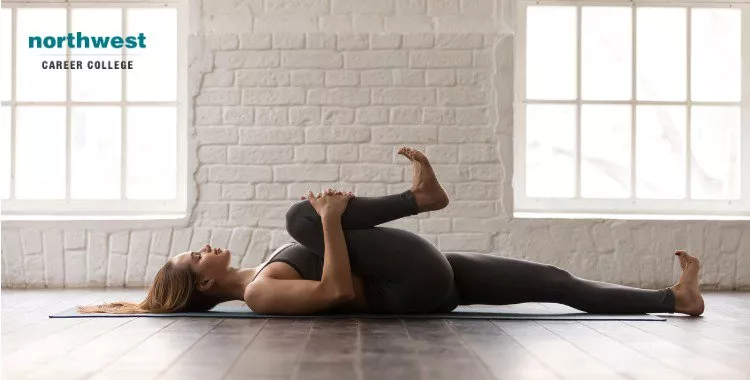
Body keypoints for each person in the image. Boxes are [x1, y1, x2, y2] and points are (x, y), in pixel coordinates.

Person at [78, 147, 705, 317]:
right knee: (301, 215)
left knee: (554, 282)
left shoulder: (258, 271)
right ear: (206, 283)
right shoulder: (259, 292)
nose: (205, 246)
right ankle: (419, 199)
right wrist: (326, 223)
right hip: (406, 289)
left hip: (431, 281)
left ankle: (674, 300)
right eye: (196, 256)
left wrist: (330, 226)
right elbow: (336, 295)